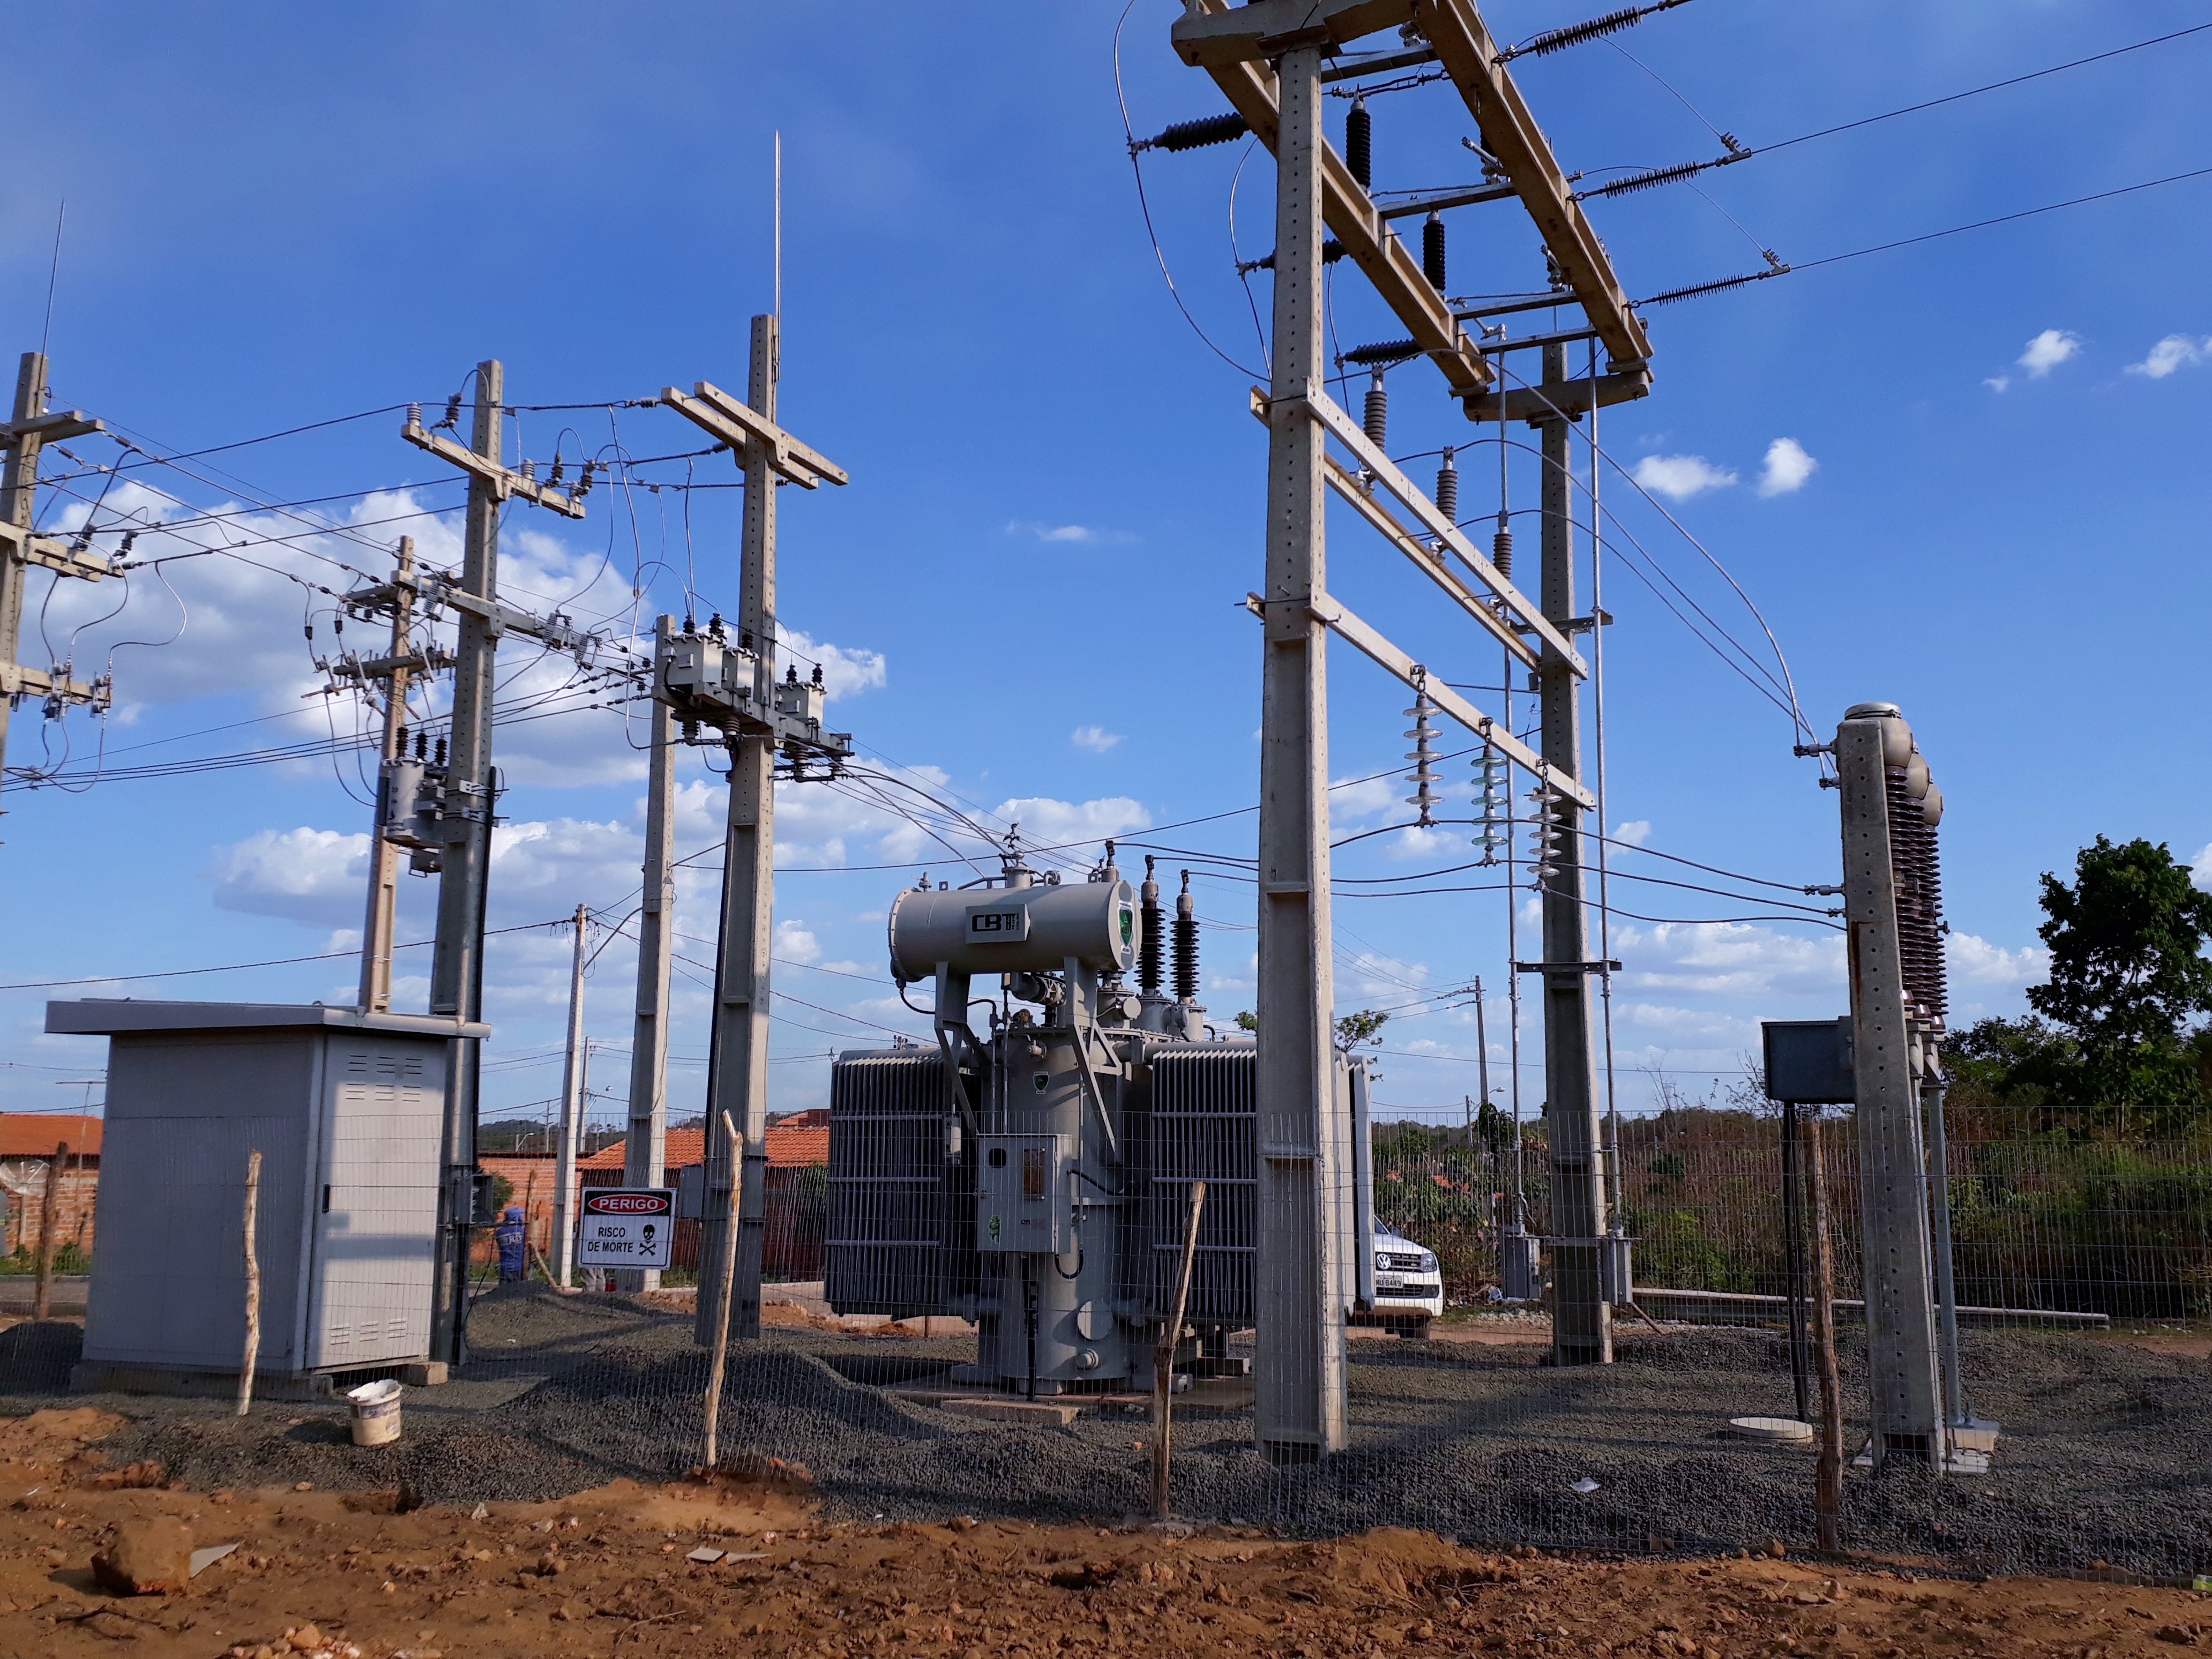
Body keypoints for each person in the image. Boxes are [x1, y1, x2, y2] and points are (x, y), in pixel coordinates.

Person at [495, 1203, 528, 1282]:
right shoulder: (523, 1231)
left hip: (505, 1268)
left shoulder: (499, 1232)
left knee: (504, 1291)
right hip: (519, 1268)